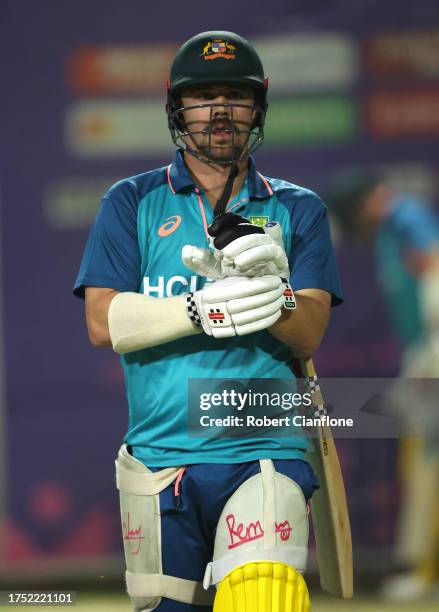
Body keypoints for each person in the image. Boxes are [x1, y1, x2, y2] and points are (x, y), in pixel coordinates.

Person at [74, 31, 343, 612]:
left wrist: (276, 294)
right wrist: (201, 308)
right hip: (159, 458)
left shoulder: (298, 207)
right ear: (178, 107)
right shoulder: (131, 201)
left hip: (265, 448)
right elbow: (103, 322)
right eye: (203, 97)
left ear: (258, 107)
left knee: (263, 600)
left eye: (234, 97)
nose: (219, 112)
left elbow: (310, 329)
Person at [328, 172, 439, 601]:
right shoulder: (390, 231)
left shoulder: (406, 216)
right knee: (420, 460)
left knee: (425, 462)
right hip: (422, 358)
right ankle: (420, 567)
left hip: (431, 360)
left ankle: (421, 569)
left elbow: (435, 264)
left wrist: (433, 349)